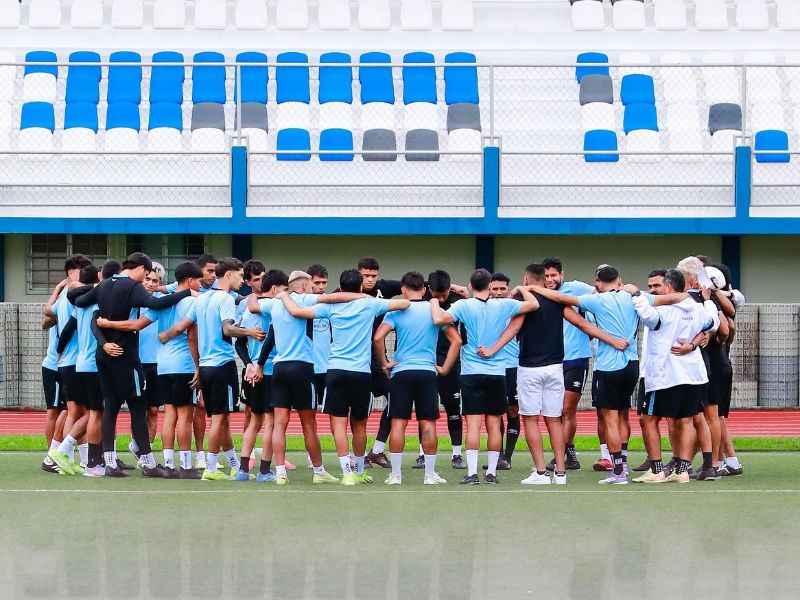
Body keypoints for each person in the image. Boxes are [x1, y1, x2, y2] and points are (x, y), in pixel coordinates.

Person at [480, 264, 630, 486]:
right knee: (555, 421)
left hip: (529, 369)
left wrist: (492, 349)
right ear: (544, 279)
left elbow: (511, 330)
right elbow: (583, 324)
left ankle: (541, 472)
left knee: (531, 419)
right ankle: (561, 472)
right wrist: (613, 340)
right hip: (555, 369)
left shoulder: (524, 303)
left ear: (526, 278)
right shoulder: (558, 302)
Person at [280, 269, 410, 485]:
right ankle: (359, 470)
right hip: (361, 372)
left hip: (336, 371)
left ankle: (347, 472)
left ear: (340, 288)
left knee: (338, 424)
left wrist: (284, 295)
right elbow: (404, 304)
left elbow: (296, 312)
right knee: (359, 425)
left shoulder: (330, 306)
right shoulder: (370, 303)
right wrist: (365, 297)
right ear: (360, 286)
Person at [70, 252, 192, 477]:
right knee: (137, 407)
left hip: (104, 355)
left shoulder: (104, 285)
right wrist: (183, 293)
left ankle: (109, 463)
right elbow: (155, 303)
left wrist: (78, 288)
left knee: (110, 406)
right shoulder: (131, 286)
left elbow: (78, 301)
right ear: (139, 268)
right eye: (145, 274)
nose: (145, 278)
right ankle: (148, 463)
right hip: (126, 357)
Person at [248, 271, 360, 485]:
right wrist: (360, 296)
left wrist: (252, 292)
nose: (313, 289)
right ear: (300, 287)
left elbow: (252, 306)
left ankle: (279, 472)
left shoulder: (275, 303)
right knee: (309, 424)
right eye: (310, 285)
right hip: (302, 367)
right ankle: (318, 471)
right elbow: (333, 298)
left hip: (279, 368)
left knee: (280, 424)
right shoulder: (302, 298)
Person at [533, 266, 641, 485]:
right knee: (622, 413)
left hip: (607, 366)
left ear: (597, 283)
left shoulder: (595, 299)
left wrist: (533, 288)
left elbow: (559, 298)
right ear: (618, 280)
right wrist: (633, 289)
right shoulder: (634, 299)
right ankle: (623, 465)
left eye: (554, 275)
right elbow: (663, 298)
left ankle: (618, 471)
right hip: (632, 364)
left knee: (608, 416)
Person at [430, 269, 539, 485]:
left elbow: (438, 319)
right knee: (494, 423)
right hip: (497, 373)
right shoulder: (504, 305)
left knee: (473, 424)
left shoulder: (463, 305)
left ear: (470, 286)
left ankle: (472, 473)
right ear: (490, 286)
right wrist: (523, 288)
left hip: (471, 372)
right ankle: (491, 472)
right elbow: (534, 304)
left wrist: (434, 302)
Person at [630, 269, 719, 484]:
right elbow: (712, 323)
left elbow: (648, 316)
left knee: (649, 419)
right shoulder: (697, 308)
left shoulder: (665, 311)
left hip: (664, 375)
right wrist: (706, 302)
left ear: (669, 288)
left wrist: (635, 295)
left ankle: (657, 469)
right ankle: (682, 470)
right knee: (685, 420)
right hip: (691, 375)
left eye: (658, 287)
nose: (653, 292)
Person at [374, 272, 460, 485]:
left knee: (398, 424)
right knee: (428, 423)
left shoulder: (397, 310)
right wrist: (445, 368)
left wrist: (385, 362)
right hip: (427, 373)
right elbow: (456, 341)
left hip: (401, 373)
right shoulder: (435, 311)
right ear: (424, 290)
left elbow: (377, 337)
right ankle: (430, 475)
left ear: (403, 289)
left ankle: (395, 475)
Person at [541, 257, 596, 472]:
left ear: (562, 275)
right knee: (554, 411)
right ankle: (569, 452)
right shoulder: (540, 292)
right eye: (546, 276)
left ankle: (561, 455)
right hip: (552, 360)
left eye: (553, 275)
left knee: (567, 409)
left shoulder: (578, 288)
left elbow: (602, 294)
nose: (550, 279)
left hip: (576, 358)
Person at [235, 269, 287, 482]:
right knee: (271, 423)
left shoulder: (247, 310)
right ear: (274, 289)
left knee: (254, 422)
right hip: (268, 371)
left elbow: (239, 342)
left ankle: (243, 470)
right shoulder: (272, 307)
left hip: (251, 372)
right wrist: (258, 365)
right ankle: (264, 471)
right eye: (284, 290)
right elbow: (272, 340)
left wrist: (248, 364)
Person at [44, 255, 93, 474]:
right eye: (81, 270)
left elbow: (48, 313)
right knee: (78, 412)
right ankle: (56, 454)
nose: (83, 274)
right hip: (73, 362)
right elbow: (69, 326)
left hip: (68, 361)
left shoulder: (66, 295)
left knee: (74, 411)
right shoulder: (76, 296)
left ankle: (73, 458)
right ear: (71, 272)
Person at [357, 257, 404, 469]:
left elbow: (413, 285)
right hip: (354, 360)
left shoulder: (384, 288)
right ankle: (354, 456)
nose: (369, 280)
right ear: (358, 274)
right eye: (365, 275)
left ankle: (376, 451)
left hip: (377, 360)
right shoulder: (346, 290)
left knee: (396, 399)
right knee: (359, 409)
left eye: (373, 276)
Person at [424, 270, 466, 469]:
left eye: (444, 294)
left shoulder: (459, 300)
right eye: (436, 295)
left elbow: (472, 293)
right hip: (426, 362)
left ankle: (456, 454)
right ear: (429, 289)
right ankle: (423, 454)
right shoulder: (422, 297)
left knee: (453, 411)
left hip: (450, 362)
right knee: (426, 412)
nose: (440, 299)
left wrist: (460, 288)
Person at [487, 273, 519, 471]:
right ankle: (497, 455)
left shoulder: (515, 308)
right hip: (492, 368)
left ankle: (507, 456)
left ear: (508, 289)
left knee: (512, 410)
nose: (498, 293)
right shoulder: (481, 307)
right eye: (495, 289)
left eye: (502, 289)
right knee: (495, 413)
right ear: (489, 289)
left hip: (514, 367)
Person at [308, 264, 331, 412]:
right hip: (308, 366)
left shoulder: (331, 302)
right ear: (309, 282)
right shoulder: (301, 304)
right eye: (317, 283)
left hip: (328, 367)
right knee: (308, 413)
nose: (321, 286)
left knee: (330, 412)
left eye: (324, 282)